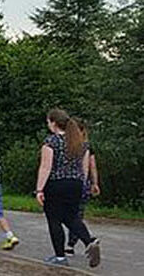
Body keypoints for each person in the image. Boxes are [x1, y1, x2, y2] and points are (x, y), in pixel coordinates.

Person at [35, 109, 99, 268]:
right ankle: (89, 240)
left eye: (48, 122)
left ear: (53, 123)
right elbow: (84, 168)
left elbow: (45, 167)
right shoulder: (81, 143)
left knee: (54, 219)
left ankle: (60, 256)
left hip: (56, 184)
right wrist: (83, 185)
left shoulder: (51, 142)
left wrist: (39, 189)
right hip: (76, 184)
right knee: (71, 216)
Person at [68, 118, 99, 255]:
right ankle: (80, 241)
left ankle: (74, 243)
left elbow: (90, 166)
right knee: (77, 213)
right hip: (83, 183)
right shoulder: (87, 146)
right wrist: (94, 183)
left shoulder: (71, 145)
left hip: (74, 183)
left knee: (71, 214)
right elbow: (93, 166)